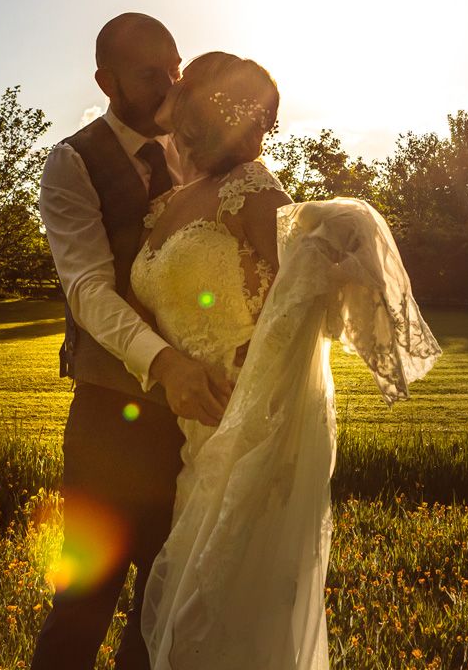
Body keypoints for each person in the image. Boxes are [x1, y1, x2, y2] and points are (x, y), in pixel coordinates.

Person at [131, 52, 441, 668]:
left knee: (220, 605)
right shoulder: (164, 206)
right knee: (194, 603)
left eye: (261, 119)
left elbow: (286, 299)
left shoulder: (254, 188)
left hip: (247, 416)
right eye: (248, 112)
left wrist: (246, 384)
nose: (258, 131)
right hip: (187, 424)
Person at [34, 13, 236, 670]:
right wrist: (166, 363)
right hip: (108, 424)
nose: (171, 86)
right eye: (152, 74)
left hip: (193, 426)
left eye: (175, 69)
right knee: (84, 603)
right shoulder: (72, 162)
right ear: (106, 80)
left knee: (165, 604)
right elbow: (89, 289)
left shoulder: (200, 156)